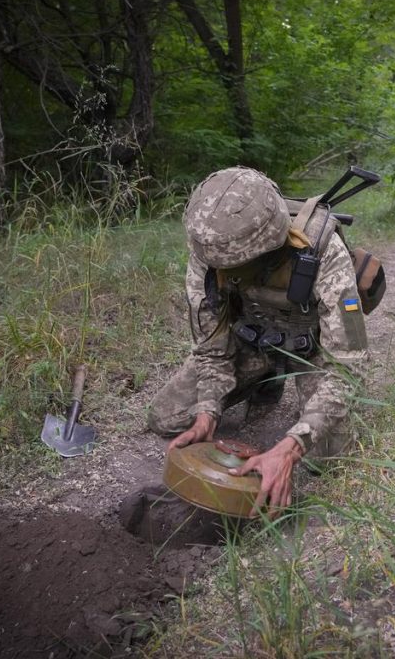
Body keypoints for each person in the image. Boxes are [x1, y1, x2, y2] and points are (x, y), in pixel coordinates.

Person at [147, 167, 368, 516]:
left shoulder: (324, 250)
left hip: (310, 352)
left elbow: (347, 365)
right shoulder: (209, 250)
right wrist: (207, 410)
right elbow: (211, 347)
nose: (221, 270)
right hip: (250, 343)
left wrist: (293, 446)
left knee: (326, 458)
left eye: (235, 264)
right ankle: (263, 379)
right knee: (168, 416)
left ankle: (276, 381)